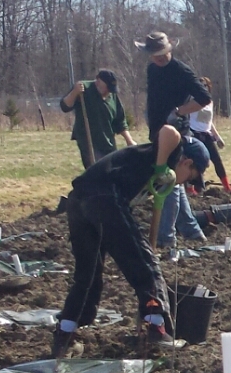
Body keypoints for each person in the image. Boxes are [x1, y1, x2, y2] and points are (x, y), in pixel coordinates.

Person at [53, 124, 208, 356]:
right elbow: (169, 131)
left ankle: (65, 333)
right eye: (190, 178)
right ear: (187, 163)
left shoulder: (154, 172)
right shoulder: (169, 156)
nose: (184, 183)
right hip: (104, 196)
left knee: (88, 273)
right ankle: (156, 326)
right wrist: (160, 166)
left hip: (79, 200)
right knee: (145, 264)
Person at [136, 31, 212, 247]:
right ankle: (192, 231)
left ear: (170, 50)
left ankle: (165, 238)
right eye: (155, 55)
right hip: (158, 129)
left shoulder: (181, 71)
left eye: (162, 54)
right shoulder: (152, 69)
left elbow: (204, 98)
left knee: (167, 181)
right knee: (174, 185)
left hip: (176, 132)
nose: (159, 58)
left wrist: (179, 111)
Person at [60, 70, 134, 169]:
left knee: (112, 171)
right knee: (98, 172)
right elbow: (65, 106)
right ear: (98, 81)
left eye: (111, 89)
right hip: (89, 142)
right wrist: (75, 92)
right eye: (107, 88)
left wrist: (129, 140)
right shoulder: (84, 88)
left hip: (108, 142)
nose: (109, 92)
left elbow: (119, 121)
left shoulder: (112, 95)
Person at [190, 78, 230, 188]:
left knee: (216, 160)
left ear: (209, 87)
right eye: (200, 85)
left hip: (206, 134)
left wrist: (218, 138)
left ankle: (227, 187)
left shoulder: (210, 102)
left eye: (205, 85)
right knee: (197, 162)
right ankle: (193, 187)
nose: (203, 87)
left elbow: (209, 122)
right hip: (194, 133)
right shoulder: (192, 101)